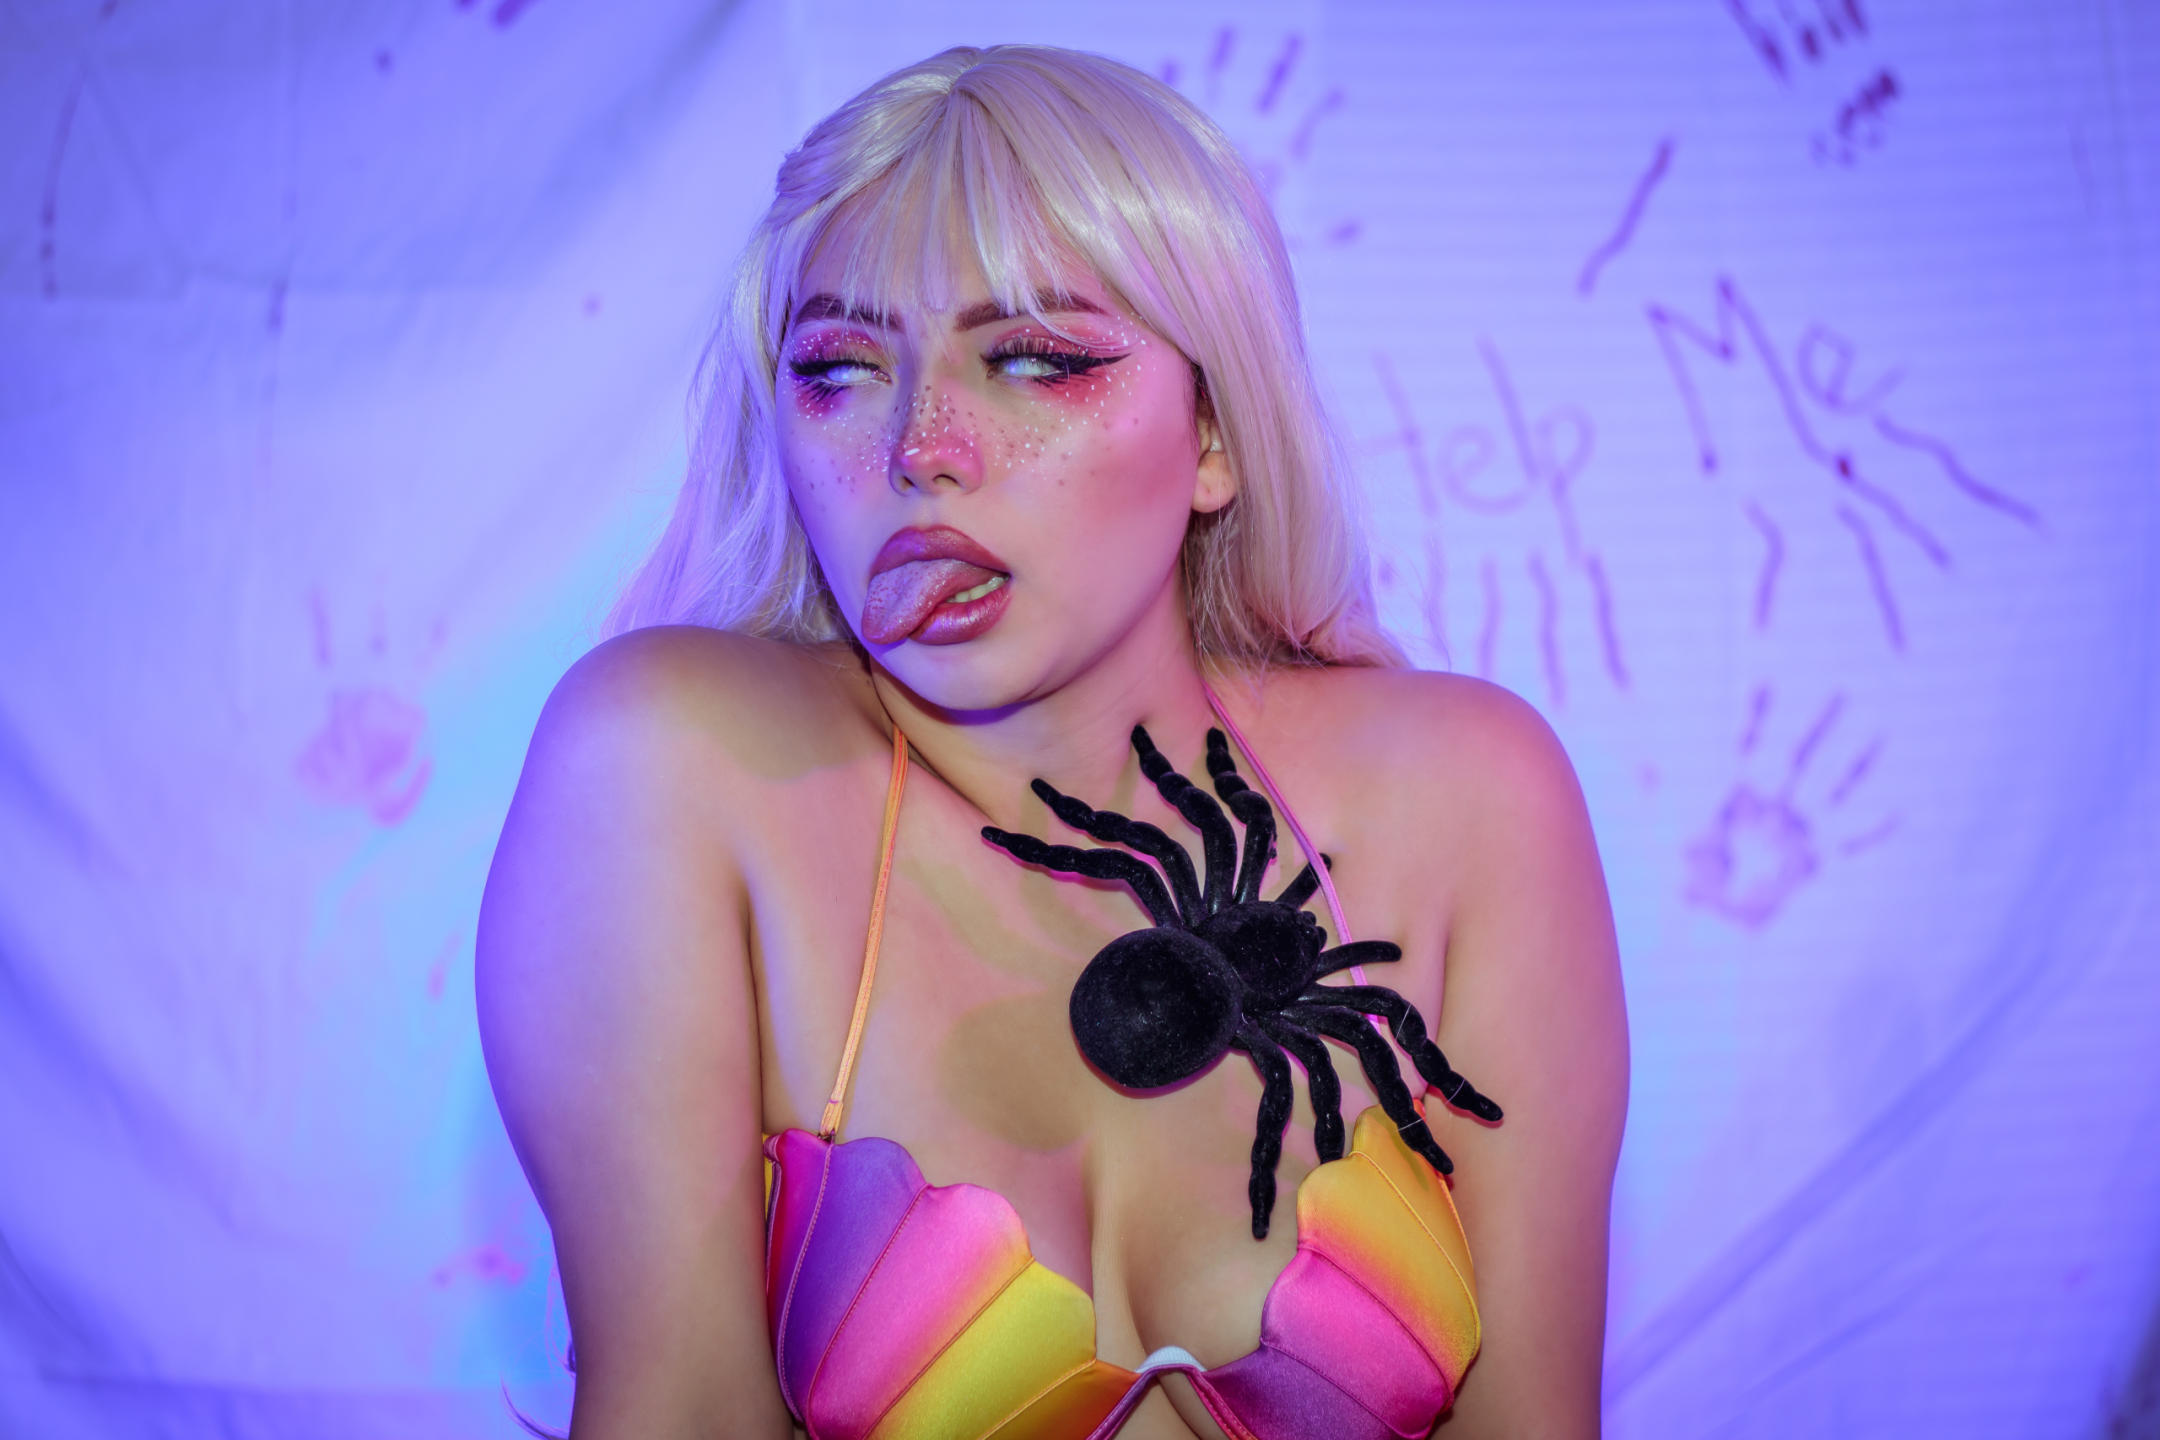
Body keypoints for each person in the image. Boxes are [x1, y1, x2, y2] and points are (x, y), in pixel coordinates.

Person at [477, 43, 1626, 1440]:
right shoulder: (668, 767)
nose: (921, 447)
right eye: (838, 369)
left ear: (1215, 433)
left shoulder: (1468, 795)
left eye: (1037, 360)